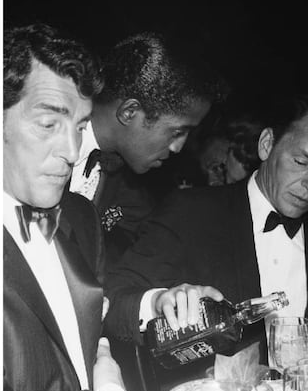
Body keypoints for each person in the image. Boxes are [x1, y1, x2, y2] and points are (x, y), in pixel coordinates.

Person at [104, 95, 308, 391]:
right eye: (302, 162)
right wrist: (158, 302)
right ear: (266, 145)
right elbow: (112, 302)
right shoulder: (191, 214)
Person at [3, 23, 127, 391]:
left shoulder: (81, 216)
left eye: (80, 126)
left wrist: (101, 353)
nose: (72, 152)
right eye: (48, 124)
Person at [69, 32, 227, 263]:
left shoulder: (123, 182)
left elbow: (152, 234)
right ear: (129, 112)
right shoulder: (37, 145)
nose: (178, 148)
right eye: (177, 132)